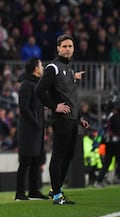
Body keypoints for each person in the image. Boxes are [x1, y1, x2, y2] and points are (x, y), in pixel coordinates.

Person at [35, 34, 89, 205]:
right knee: (59, 156)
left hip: (72, 119)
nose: (67, 49)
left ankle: (55, 189)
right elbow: (40, 90)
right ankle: (57, 194)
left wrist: (79, 117)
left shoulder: (68, 70)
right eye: (64, 46)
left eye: (70, 46)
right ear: (58, 48)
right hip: (61, 119)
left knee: (68, 155)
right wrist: (54, 106)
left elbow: (70, 96)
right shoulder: (53, 67)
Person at [15, 57, 48, 201]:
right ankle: (20, 193)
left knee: (36, 160)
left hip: (37, 128)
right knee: (25, 161)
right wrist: (35, 121)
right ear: (35, 69)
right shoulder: (26, 85)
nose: (42, 68)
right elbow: (24, 107)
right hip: (28, 129)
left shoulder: (36, 84)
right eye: (41, 66)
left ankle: (34, 190)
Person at [94, 100, 120, 187]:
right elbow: (117, 129)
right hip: (115, 142)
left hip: (108, 142)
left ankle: (99, 180)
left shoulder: (106, 116)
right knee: (115, 161)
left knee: (107, 162)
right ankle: (116, 177)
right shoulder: (114, 116)